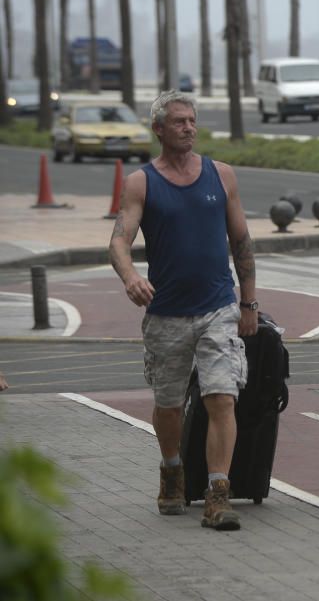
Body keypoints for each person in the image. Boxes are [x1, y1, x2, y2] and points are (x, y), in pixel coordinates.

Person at [109, 90, 257, 531]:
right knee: (169, 405)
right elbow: (119, 239)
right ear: (158, 129)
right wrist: (131, 277)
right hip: (167, 313)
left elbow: (242, 243)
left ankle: (217, 494)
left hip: (218, 307)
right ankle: (172, 468)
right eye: (178, 122)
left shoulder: (221, 175)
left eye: (192, 120)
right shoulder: (141, 182)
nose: (188, 128)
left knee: (221, 397)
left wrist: (248, 302)